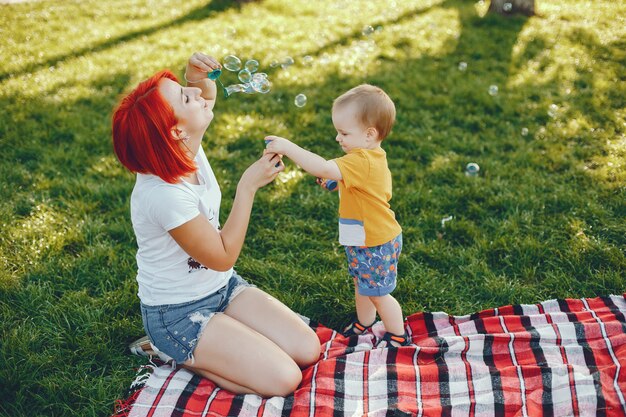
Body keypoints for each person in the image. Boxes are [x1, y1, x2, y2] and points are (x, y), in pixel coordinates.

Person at [111, 52, 321, 397]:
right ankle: (170, 349)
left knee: (307, 348)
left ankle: (221, 339)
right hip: (177, 314)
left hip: (222, 289)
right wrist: (248, 186)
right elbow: (222, 256)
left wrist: (194, 77)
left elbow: (206, 96)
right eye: (185, 96)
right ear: (176, 130)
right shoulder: (163, 194)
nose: (197, 94)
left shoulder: (182, 145)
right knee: (284, 379)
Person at [265, 84, 409, 347]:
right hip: (362, 238)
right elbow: (361, 187)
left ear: (369, 135)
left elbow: (321, 166)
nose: (337, 138)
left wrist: (288, 147)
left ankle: (398, 333)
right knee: (362, 284)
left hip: (375, 242)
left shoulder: (361, 161)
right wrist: (336, 182)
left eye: (343, 133)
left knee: (378, 294)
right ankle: (365, 323)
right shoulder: (365, 157)